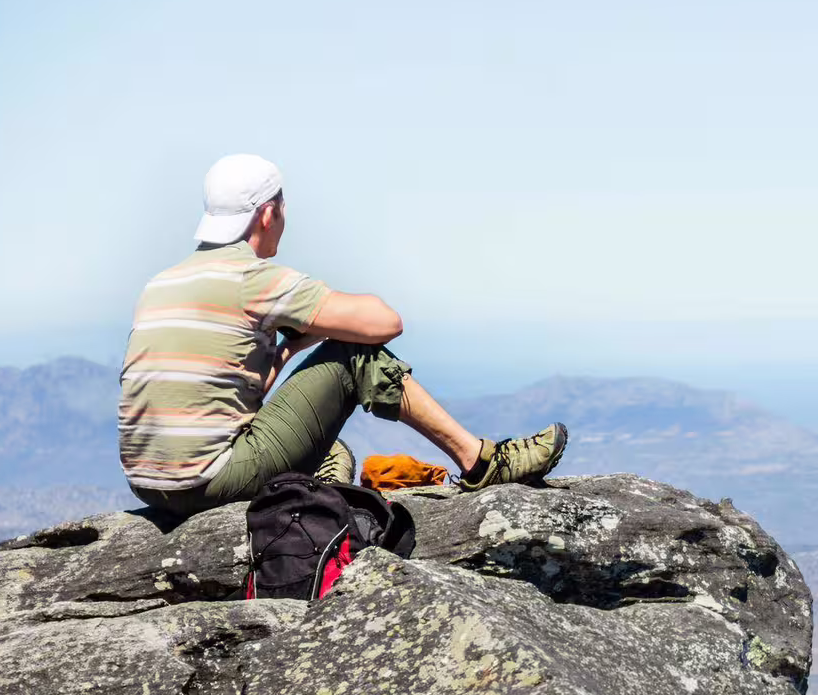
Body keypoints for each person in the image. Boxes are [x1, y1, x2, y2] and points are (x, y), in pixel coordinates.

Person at [119, 154, 567, 516]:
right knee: (356, 351)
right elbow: (384, 322)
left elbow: (225, 396)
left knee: (333, 453)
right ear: (268, 213)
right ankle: (481, 461)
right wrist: (319, 321)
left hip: (150, 486)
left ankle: (317, 487)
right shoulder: (252, 278)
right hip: (210, 481)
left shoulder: (162, 283)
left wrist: (289, 347)